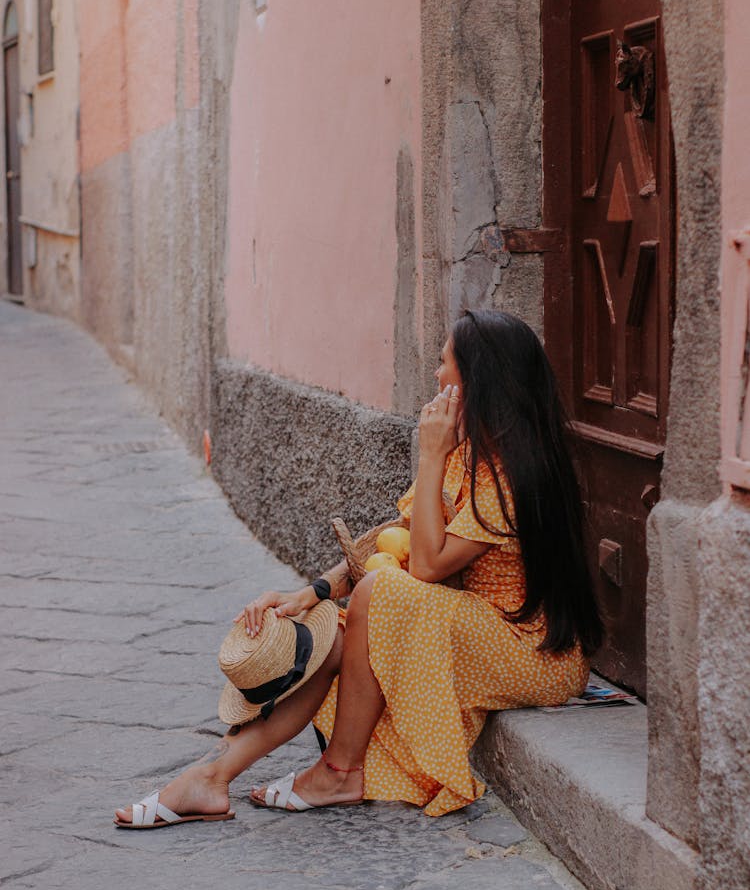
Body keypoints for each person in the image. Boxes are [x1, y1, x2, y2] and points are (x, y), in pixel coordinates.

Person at [114, 309, 602, 826]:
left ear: (476, 378)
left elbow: (428, 566)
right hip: (467, 621)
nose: (436, 376)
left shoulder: (513, 475)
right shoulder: (469, 454)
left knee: (379, 592)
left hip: (531, 650)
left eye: (443, 364)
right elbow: (399, 536)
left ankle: (340, 770)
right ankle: (210, 778)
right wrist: (316, 592)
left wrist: (429, 454)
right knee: (331, 637)